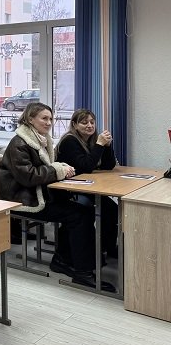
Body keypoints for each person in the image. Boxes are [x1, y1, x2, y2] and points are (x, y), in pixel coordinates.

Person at [0, 103, 114, 291]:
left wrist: (59, 168)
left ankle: (64, 259)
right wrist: (57, 169)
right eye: (44, 118)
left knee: (82, 212)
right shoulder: (19, 143)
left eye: (50, 118)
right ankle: (82, 272)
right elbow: (28, 176)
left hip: (40, 196)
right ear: (30, 119)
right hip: (25, 201)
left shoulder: (41, 140)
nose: (49, 122)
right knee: (79, 215)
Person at [55, 108, 119, 258]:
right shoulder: (69, 141)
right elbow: (86, 167)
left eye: (92, 122)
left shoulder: (91, 139)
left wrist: (107, 146)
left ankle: (107, 246)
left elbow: (108, 166)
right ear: (74, 125)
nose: (90, 125)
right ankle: (97, 247)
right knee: (100, 210)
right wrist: (99, 145)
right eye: (84, 122)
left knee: (112, 209)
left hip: (85, 185)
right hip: (67, 189)